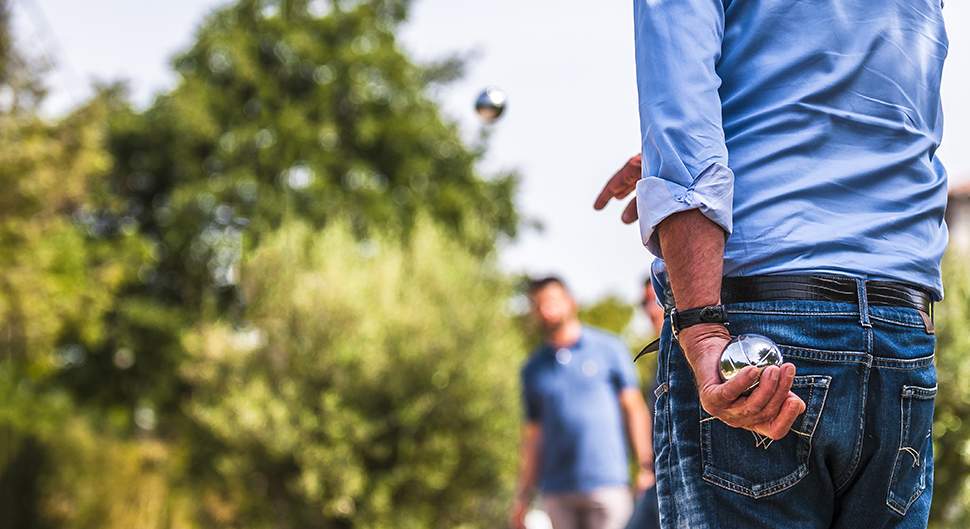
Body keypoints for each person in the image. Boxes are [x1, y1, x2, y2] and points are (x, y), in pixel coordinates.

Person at [594, 1, 948, 528]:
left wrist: (701, 328)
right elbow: (868, 101)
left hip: (757, 323)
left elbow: (684, 133)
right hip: (902, 332)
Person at [509, 276, 653, 529]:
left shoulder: (609, 348)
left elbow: (634, 408)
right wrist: (523, 494)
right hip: (557, 489)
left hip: (607, 483)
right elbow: (533, 435)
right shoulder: (533, 368)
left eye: (552, 301)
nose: (546, 309)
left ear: (571, 302)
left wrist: (645, 466)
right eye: (539, 304)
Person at [622, 277, 665, 529]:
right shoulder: (661, 359)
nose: (650, 311)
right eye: (644, 303)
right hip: (659, 476)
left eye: (656, 301)